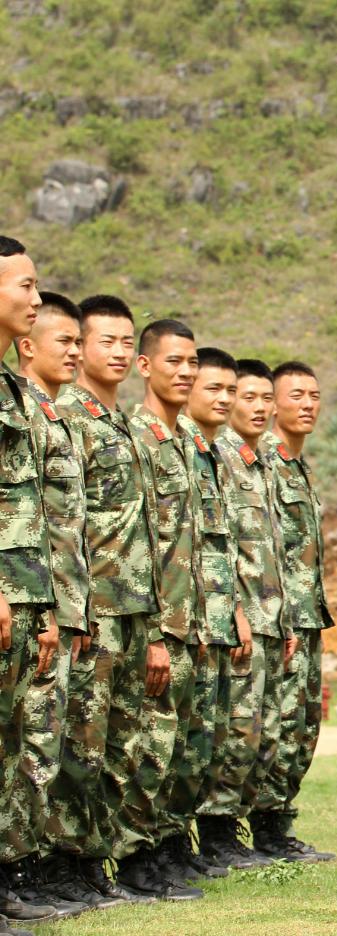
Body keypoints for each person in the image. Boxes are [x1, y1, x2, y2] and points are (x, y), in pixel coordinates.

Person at [55, 295, 165, 905]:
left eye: (128, 343)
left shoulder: (119, 422)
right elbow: (65, 520)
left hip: (131, 610)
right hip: (90, 608)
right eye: (107, 342)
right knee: (79, 741)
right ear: (80, 346)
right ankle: (66, 865)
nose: (119, 353)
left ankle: (100, 861)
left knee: (118, 744)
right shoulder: (69, 417)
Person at [12, 292, 103, 915]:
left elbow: (76, 529)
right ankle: (21, 874)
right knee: (27, 747)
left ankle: (33, 871)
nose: (76, 352)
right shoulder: (27, 414)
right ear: (27, 346)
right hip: (32, 603)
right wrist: (44, 608)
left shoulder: (60, 416)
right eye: (64, 342)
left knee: (48, 750)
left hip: (62, 606)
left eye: (79, 342)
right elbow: (28, 521)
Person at [118, 318, 206, 901]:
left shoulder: (182, 442)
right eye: (174, 361)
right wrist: (151, 629)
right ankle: (131, 860)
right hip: (153, 622)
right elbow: (135, 542)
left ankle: (159, 851)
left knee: (172, 749)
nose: (186, 372)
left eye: (191, 363)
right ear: (145, 366)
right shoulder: (137, 438)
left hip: (185, 621)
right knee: (140, 747)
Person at [196, 358, 283, 870]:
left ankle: (235, 832)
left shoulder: (260, 461)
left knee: (259, 731)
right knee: (230, 729)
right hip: (234, 618)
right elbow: (220, 546)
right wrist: (232, 609)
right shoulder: (220, 457)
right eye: (243, 395)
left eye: (260, 397)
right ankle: (213, 834)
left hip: (267, 618)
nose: (253, 406)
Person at [0, 237, 59, 936]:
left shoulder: (12, 391)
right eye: (25, 286)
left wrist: (38, 603)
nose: (36, 300)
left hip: (23, 596)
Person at [255, 361, 333, 863]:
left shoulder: (298, 466)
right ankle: (258, 831)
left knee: (301, 727)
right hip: (275, 619)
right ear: (273, 404)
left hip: (306, 617)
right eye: (295, 395)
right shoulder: (262, 463)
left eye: (314, 395)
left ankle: (278, 827)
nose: (307, 404)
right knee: (271, 725)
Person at [176, 348, 241, 878]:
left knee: (204, 740)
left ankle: (182, 846)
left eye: (229, 390)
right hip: (174, 617)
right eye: (212, 388)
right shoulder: (170, 446)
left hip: (214, 618)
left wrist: (233, 608)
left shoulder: (212, 456)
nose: (224, 399)